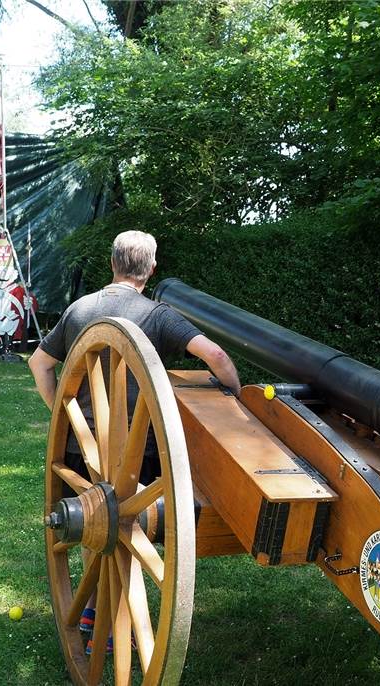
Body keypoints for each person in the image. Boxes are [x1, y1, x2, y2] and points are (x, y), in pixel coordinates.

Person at [29, 230, 241, 651]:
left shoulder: (78, 310)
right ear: (152, 269)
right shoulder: (158, 316)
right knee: (127, 524)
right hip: (138, 448)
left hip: (83, 445)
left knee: (97, 518)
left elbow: (39, 364)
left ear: (112, 263)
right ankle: (106, 617)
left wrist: (63, 414)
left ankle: (94, 610)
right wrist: (236, 400)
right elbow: (215, 356)